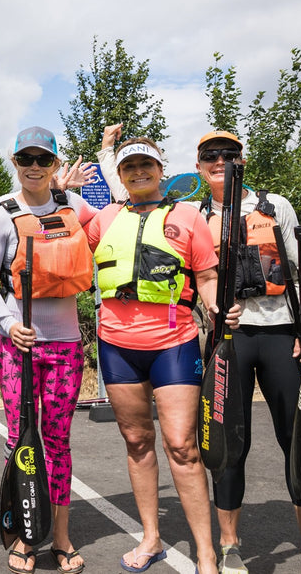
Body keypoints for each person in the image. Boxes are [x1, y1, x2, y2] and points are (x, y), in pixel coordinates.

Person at [85, 137, 239, 574]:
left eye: (146, 165)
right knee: (136, 442)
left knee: (182, 446)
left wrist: (215, 305)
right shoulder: (104, 218)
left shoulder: (188, 216)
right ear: (120, 174)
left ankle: (205, 552)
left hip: (173, 343)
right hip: (116, 345)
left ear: (160, 169)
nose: (138, 172)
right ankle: (151, 537)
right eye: (129, 166)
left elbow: (207, 276)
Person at [192, 131, 301, 574]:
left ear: (243, 161)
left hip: (279, 335)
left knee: (296, 440)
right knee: (229, 444)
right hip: (228, 341)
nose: (221, 161)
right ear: (199, 165)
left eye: (229, 154)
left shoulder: (275, 207)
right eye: (210, 156)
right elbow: (198, 277)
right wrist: (214, 309)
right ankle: (231, 546)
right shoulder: (194, 215)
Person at [0, 126, 97, 574]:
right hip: (19, 350)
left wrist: (106, 157)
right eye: (25, 158)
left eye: (42, 159)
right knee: (18, 441)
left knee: (58, 443)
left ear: (53, 165)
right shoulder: (1, 213)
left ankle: (60, 537)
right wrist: (9, 326)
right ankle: (23, 535)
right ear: (14, 163)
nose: (33, 166)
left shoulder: (74, 207)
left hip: (65, 347)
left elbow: (114, 221)